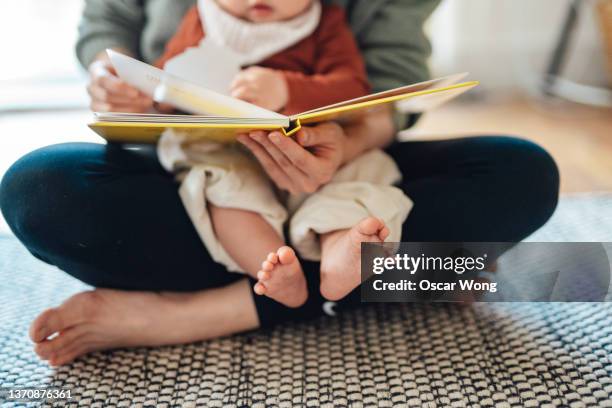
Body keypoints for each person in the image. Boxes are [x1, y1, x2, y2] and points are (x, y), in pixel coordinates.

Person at [0, 0, 559, 367]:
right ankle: (399, 279)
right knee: (40, 189)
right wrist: (119, 82)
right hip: (212, 167)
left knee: (522, 173)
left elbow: (369, 83)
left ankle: (220, 306)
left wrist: (302, 102)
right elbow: (133, 51)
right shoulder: (202, 19)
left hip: (336, 153)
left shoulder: (326, 24)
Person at [154, 0, 412, 308]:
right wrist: (151, 95)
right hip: (229, 151)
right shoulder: (202, 17)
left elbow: (354, 88)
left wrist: (287, 89)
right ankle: (273, 266)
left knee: (362, 175)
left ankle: (339, 255)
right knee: (222, 191)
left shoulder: (325, 22)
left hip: (315, 148)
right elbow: (166, 78)